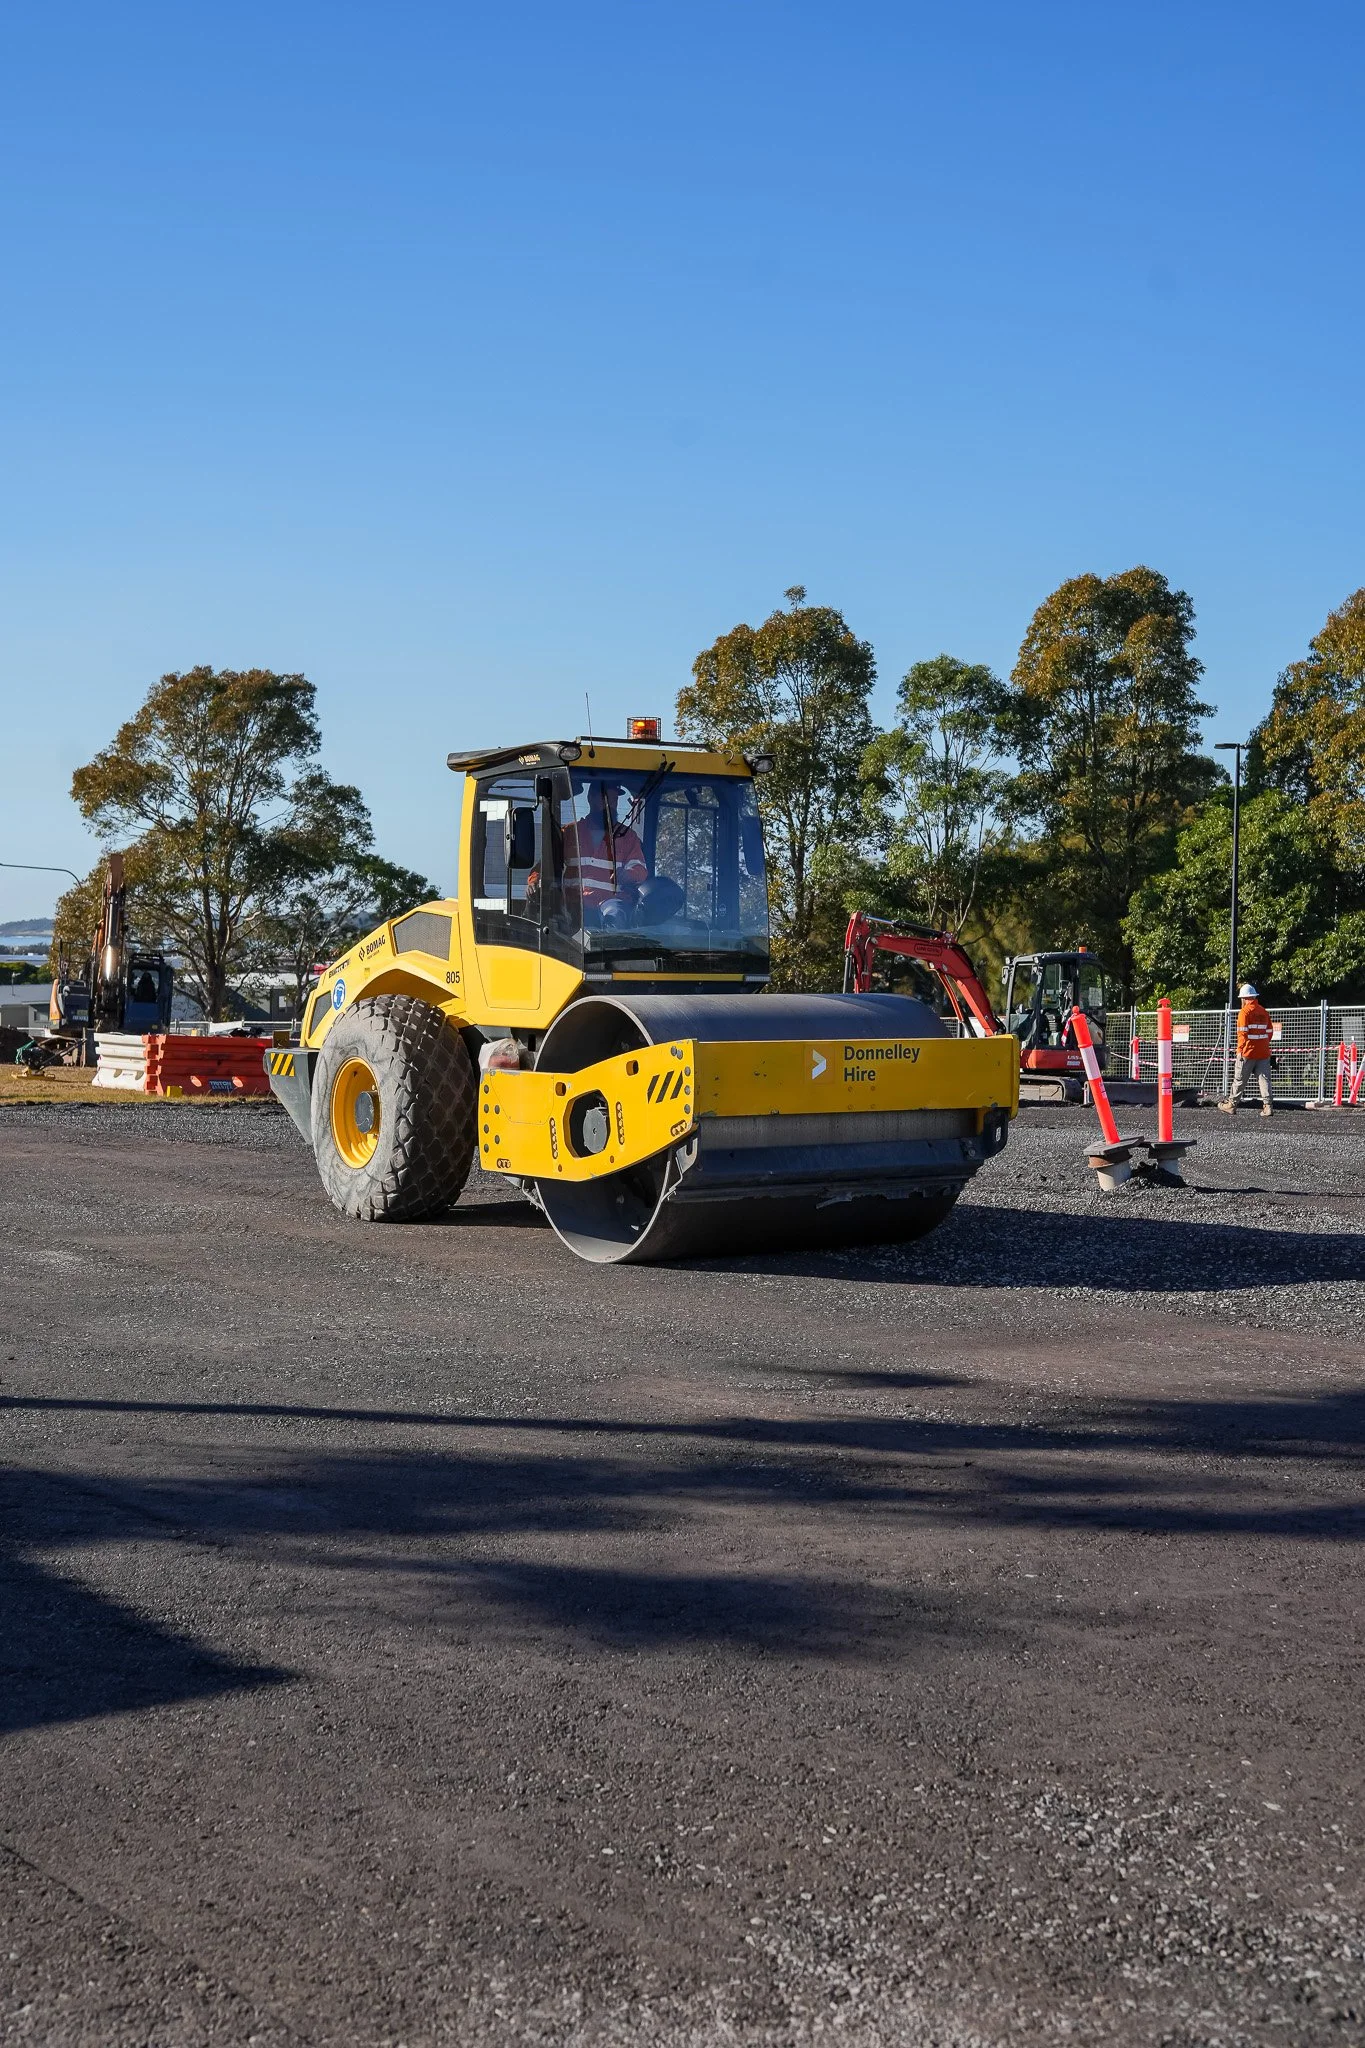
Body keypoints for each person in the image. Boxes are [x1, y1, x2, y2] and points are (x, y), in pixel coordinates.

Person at [562, 779, 648, 919]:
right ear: (590, 798)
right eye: (606, 798)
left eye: (614, 799)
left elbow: (639, 869)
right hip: (571, 912)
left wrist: (628, 874)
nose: (611, 805)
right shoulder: (569, 833)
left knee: (615, 915)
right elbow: (546, 866)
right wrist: (534, 883)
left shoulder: (628, 837)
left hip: (611, 914)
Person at [1219, 982, 1274, 1116]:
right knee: (1264, 1079)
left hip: (1248, 1052)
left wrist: (1240, 1051)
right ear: (1254, 997)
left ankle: (1231, 1104)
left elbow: (1242, 1034)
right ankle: (1268, 1107)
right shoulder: (1263, 1011)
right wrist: (1263, 1044)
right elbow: (1270, 1032)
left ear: (1244, 998)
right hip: (1263, 1052)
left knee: (1239, 1079)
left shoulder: (1244, 1012)